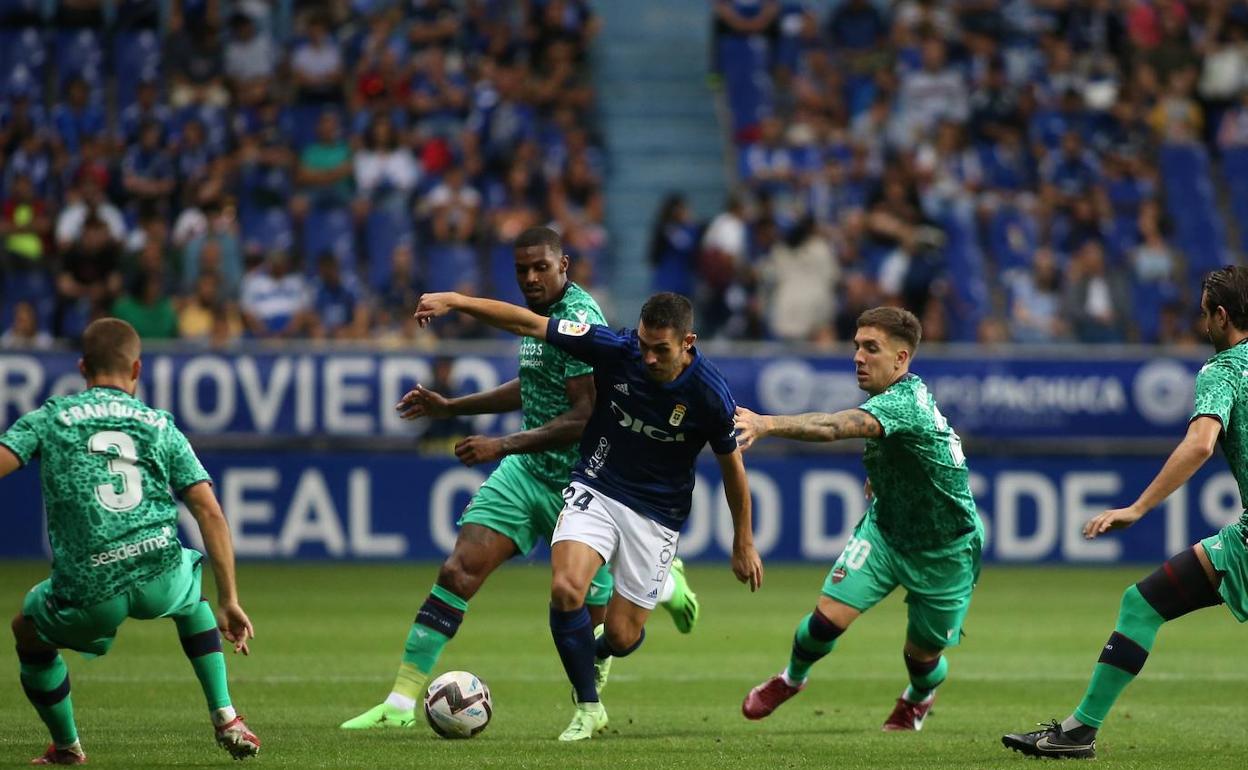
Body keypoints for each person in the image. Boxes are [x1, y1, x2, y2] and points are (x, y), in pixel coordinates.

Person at [340, 227, 703, 731]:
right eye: (522, 270)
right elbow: (533, 383)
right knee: (457, 571)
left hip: (589, 485)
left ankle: (663, 583)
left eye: (541, 268)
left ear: (564, 266)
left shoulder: (578, 320)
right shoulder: (544, 321)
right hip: (527, 473)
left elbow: (583, 415)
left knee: (604, 631)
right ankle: (399, 705)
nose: (530, 278)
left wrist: (501, 443)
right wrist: (452, 408)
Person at [412, 288, 765, 741]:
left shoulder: (709, 393)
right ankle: (588, 706)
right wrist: (456, 301)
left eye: (662, 350)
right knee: (565, 589)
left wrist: (744, 541)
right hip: (596, 485)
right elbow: (529, 324)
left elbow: (732, 469)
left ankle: (623, 627)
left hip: (656, 514)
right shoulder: (617, 349)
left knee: (619, 636)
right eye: (644, 345)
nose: (650, 359)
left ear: (688, 343)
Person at [1002, 265, 1248, 759]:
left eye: (1205, 315)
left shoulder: (1225, 370)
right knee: (1142, 602)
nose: (1203, 326)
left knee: (1142, 605)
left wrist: (1138, 507)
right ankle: (1077, 731)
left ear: (1221, 316)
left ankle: (1077, 733)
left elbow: (1200, 445)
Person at [0, 318, 259, 764]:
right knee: (191, 595)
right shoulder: (159, 424)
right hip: (158, 569)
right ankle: (227, 716)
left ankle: (67, 746)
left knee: (26, 630)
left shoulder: (53, 417)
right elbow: (209, 511)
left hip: (90, 587)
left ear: (82, 367)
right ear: (136, 369)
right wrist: (230, 598)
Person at [734, 306, 982, 732]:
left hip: (946, 550)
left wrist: (768, 422)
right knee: (825, 620)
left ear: (901, 359)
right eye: (856, 347)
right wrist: (883, 477)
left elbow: (832, 427)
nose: (858, 357)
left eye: (871, 348)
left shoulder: (905, 404)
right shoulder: (893, 401)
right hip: (886, 532)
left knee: (920, 658)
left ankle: (918, 698)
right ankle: (791, 678)